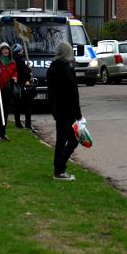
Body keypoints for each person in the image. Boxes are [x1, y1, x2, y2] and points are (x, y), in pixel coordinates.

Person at [47, 41, 82, 181]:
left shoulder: (53, 68)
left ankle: (58, 170)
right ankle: (60, 168)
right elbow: (73, 93)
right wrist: (78, 114)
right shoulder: (66, 69)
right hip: (67, 111)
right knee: (73, 140)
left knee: (61, 141)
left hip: (58, 111)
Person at [11, 43, 33, 130]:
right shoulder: (19, 61)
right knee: (27, 106)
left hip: (16, 86)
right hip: (22, 86)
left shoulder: (13, 60)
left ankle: (18, 123)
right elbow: (23, 73)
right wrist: (29, 71)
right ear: (19, 52)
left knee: (17, 106)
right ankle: (27, 124)